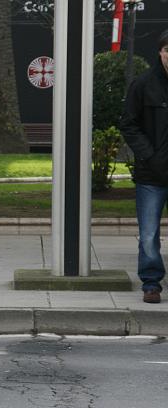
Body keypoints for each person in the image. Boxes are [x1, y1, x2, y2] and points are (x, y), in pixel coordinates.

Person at [120, 30, 168, 304]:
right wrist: (149, 155)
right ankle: (151, 283)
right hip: (151, 175)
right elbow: (129, 123)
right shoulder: (143, 84)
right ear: (161, 52)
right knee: (149, 234)